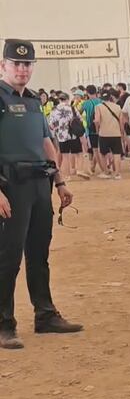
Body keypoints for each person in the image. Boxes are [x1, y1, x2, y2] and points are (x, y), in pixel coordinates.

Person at [0, 39, 83, 349]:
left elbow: (47, 143)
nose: (22, 69)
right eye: (16, 63)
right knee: (7, 257)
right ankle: (4, 323)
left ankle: (45, 315)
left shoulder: (34, 102)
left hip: (39, 184)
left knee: (39, 254)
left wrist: (60, 181)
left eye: (27, 64)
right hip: (10, 186)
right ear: (3, 65)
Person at [47, 93, 82, 180]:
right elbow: (80, 119)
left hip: (62, 136)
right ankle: (79, 170)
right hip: (73, 134)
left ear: (59, 99)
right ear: (68, 99)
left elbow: (51, 124)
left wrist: (58, 128)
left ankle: (67, 176)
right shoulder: (72, 108)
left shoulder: (55, 109)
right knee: (78, 153)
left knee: (65, 155)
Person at [94, 91, 127, 179]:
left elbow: (97, 120)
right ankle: (117, 173)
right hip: (116, 134)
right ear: (110, 97)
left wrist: (97, 130)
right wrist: (122, 132)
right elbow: (121, 122)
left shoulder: (98, 107)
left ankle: (106, 172)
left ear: (101, 98)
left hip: (103, 134)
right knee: (117, 154)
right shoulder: (118, 107)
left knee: (103, 154)